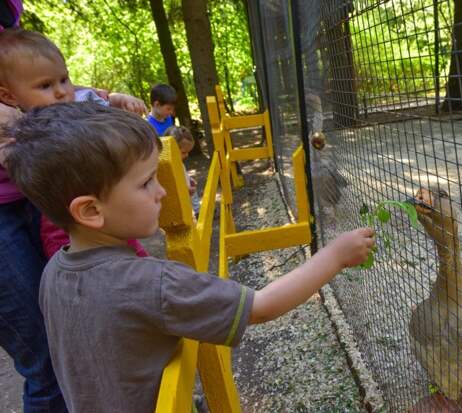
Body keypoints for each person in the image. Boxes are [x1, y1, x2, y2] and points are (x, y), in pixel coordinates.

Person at [4, 102, 375, 413]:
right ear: (89, 211)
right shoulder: (151, 282)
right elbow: (260, 307)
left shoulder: (53, 272)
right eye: (147, 182)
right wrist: (335, 256)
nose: (162, 192)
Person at [0, 28, 146, 412]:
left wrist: (114, 97)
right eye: (49, 86)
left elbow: (86, 98)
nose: (62, 91)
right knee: (47, 356)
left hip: (40, 207)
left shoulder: (59, 101)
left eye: (63, 79)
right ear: (9, 96)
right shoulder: (23, 130)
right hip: (28, 218)